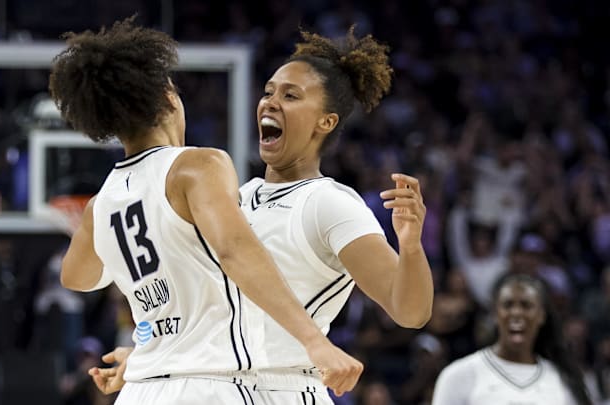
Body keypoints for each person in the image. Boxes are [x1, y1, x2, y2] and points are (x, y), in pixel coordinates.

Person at [90, 26, 434, 405]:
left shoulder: (330, 203)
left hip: (285, 387)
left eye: (290, 95)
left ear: (326, 122)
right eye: (268, 91)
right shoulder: (237, 195)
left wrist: (411, 247)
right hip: (218, 386)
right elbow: (216, 308)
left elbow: (410, 311)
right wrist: (150, 360)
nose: (270, 102)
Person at [49, 17, 363, 404]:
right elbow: (236, 252)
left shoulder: (101, 204)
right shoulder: (197, 166)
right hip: (210, 386)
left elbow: (76, 277)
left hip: (142, 390)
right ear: (168, 97)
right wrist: (314, 342)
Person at [431, 273, 592, 405]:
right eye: (508, 305)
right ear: (495, 314)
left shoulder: (562, 379)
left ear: (542, 315)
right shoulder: (458, 374)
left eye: (526, 305)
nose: (516, 313)